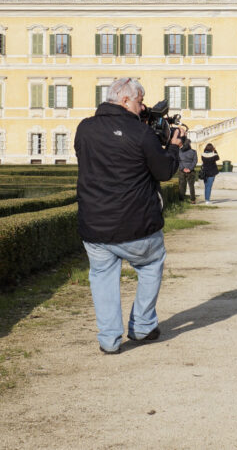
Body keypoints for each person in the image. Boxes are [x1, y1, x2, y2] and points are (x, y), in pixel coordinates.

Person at [74, 77, 182, 354]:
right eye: (139, 100)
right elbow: (163, 172)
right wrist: (173, 146)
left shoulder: (84, 128)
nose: (142, 106)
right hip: (137, 225)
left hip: (94, 225)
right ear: (124, 100)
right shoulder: (141, 134)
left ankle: (109, 340)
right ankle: (143, 326)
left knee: (102, 278)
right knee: (150, 264)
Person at [177, 136, 197, 203]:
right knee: (191, 186)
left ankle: (181, 199)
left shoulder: (179, 151)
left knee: (182, 185)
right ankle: (193, 200)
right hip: (190, 171)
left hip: (182, 170)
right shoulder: (193, 152)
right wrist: (190, 168)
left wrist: (183, 168)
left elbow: (179, 161)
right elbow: (195, 161)